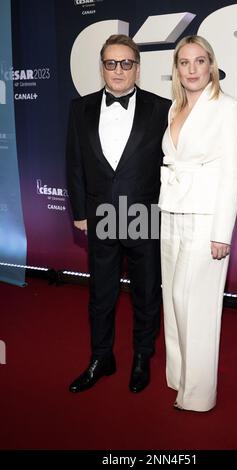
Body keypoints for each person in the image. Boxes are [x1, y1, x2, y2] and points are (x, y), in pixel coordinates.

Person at [66, 34, 170, 394]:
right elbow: (74, 163)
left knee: (145, 293)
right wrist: (80, 211)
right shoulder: (79, 108)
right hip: (100, 215)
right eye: (111, 63)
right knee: (101, 294)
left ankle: (142, 356)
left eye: (126, 63)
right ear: (102, 68)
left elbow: (172, 165)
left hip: (144, 213)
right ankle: (101, 357)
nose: (119, 70)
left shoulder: (162, 108)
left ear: (137, 68)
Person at [158, 35, 237, 412]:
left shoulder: (229, 108)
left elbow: (231, 174)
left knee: (193, 301)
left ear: (211, 65)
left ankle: (198, 395)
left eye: (199, 61)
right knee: (171, 298)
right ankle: (179, 376)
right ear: (177, 69)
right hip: (171, 212)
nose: (192, 69)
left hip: (207, 217)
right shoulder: (174, 108)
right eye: (184, 62)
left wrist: (221, 233)